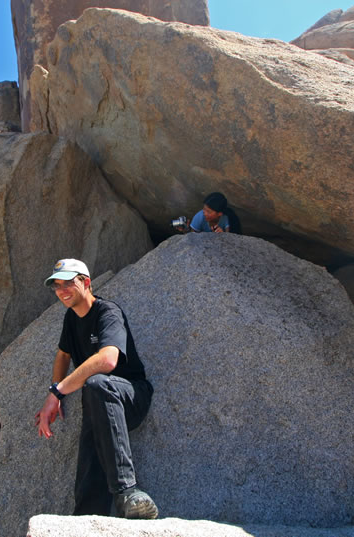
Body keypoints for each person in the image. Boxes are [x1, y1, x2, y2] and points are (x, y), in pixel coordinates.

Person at [34, 258, 157, 519]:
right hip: (98, 401)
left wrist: (59, 392)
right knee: (90, 454)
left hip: (131, 396)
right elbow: (62, 354)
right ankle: (88, 518)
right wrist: (52, 391)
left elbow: (108, 359)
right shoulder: (71, 317)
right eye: (56, 286)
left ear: (86, 282)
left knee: (97, 383)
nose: (62, 291)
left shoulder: (107, 312)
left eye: (68, 283)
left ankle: (127, 492)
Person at [177, 192, 242, 234]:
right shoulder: (200, 216)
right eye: (204, 209)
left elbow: (231, 239)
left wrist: (223, 235)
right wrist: (185, 230)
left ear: (219, 214)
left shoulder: (227, 218)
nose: (204, 213)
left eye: (208, 211)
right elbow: (191, 237)